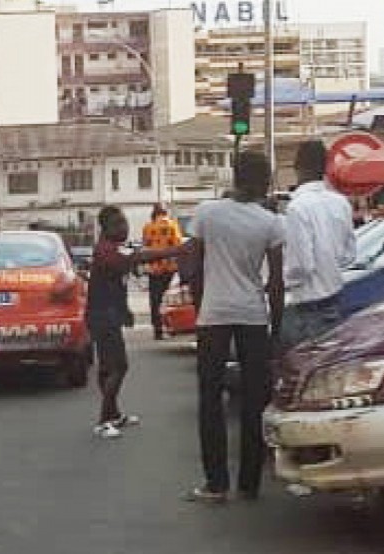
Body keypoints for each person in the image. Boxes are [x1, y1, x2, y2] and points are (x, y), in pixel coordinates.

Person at [182, 150, 285, 504]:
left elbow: (191, 265)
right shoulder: (270, 223)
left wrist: (200, 306)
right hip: (253, 315)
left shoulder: (207, 213)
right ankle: (249, 484)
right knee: (254, 400)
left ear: (234, 175)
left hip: (214, 315)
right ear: (263, 181)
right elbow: (276, 283)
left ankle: (216, 484)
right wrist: (277, 327)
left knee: (210, 399)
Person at [86, 206, 190, 440]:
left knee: (107, 367)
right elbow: (138, 258)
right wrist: (177, 250)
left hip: (107, 314)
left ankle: (114, 414)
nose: (124, 228)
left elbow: (120, 281)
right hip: (102, 316)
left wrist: (126, 310)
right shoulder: (106, 251)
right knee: (118, 366)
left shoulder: (113, 248)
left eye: (124, 223)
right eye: (118, 225)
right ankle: (103, 421)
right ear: (106, 228)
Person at [280, 140, 356, 352]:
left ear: (297, 168)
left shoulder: (297, 208)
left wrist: (283, 280)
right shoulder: (341, 202)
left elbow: (301, 265)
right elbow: (349, 255)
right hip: (335, 297)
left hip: (307, 306)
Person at [142, 203, 183, 341]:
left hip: (154, 269)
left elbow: (146, 246)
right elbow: (178, 245)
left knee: (155, 300)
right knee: (170, 299)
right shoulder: (173, 225)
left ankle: (157, 330)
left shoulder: (148, 227)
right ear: (166, 212)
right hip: (170, 268)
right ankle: (171, 327)